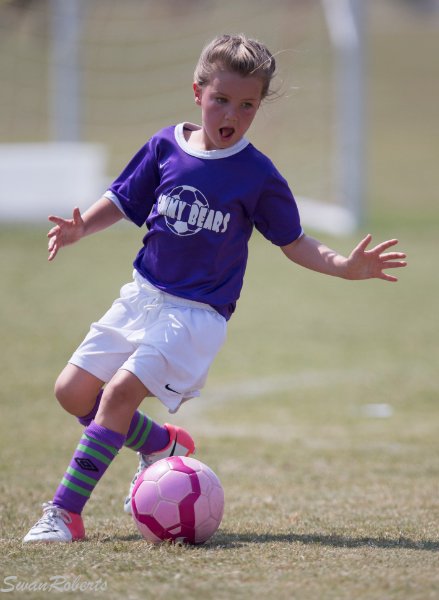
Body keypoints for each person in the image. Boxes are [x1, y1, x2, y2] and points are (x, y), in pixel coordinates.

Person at [23, 34, 406, 543]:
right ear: (198, 92)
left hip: (195, 315)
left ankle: (64, 514)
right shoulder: (165, 146)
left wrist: (343, 266)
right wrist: (80, 228)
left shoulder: (257, 174)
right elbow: (121, 199)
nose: (233, 113)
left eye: (247, 105)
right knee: (72, 392)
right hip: (141, 295)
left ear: (258, 107)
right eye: (222, 99)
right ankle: (161, 443)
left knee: (117, 395)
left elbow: (294, 242)